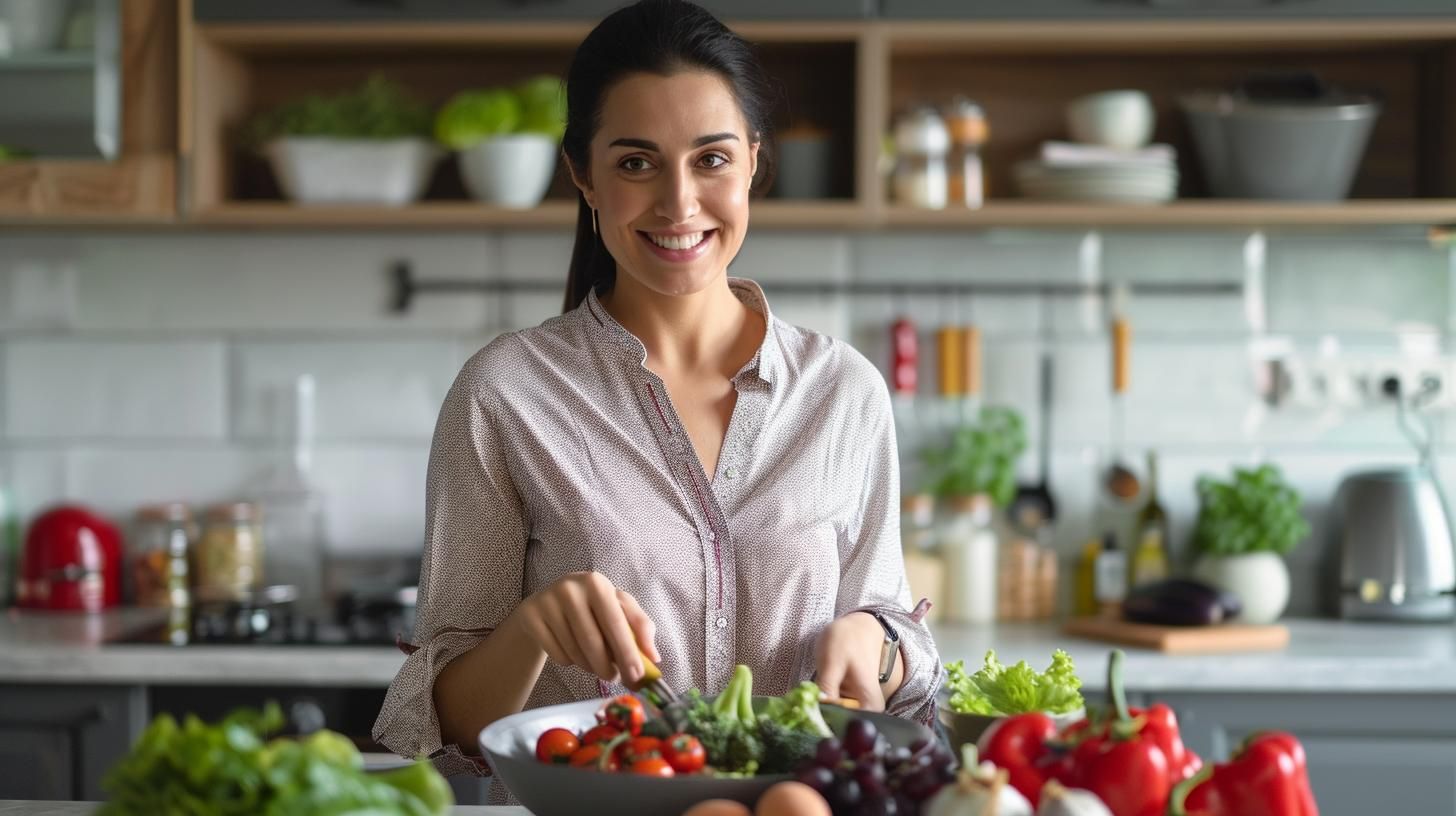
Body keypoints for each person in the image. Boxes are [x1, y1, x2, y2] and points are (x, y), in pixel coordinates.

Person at [372, 0, 941, 791]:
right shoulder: (505, 394)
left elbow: (907, 672)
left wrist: (876, 641)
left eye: (710, 159)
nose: (679, 204)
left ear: (752, 161)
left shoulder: (844, 393)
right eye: (637, 162)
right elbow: (446, 722)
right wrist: (533, 629)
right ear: (583, 174)